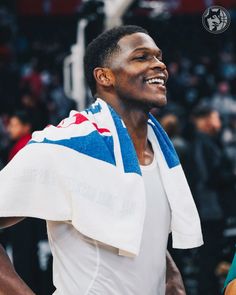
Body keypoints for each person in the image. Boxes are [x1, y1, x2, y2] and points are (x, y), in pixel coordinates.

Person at [0, 25, 203, 295]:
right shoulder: (67, 145)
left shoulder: (160, 152)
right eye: (142, 57)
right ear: (104, 76)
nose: (159, 66)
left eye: (159, 56)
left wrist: (171, 275)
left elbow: (127, 226)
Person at [185, 105, 224, 294]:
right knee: (209, 258)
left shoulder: (206, 142)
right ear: (208, 120)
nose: (219, 123)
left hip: (210, 207)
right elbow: (206, 176)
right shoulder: (202, 143)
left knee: (210, 257)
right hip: (208, 209)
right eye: (216, 118)